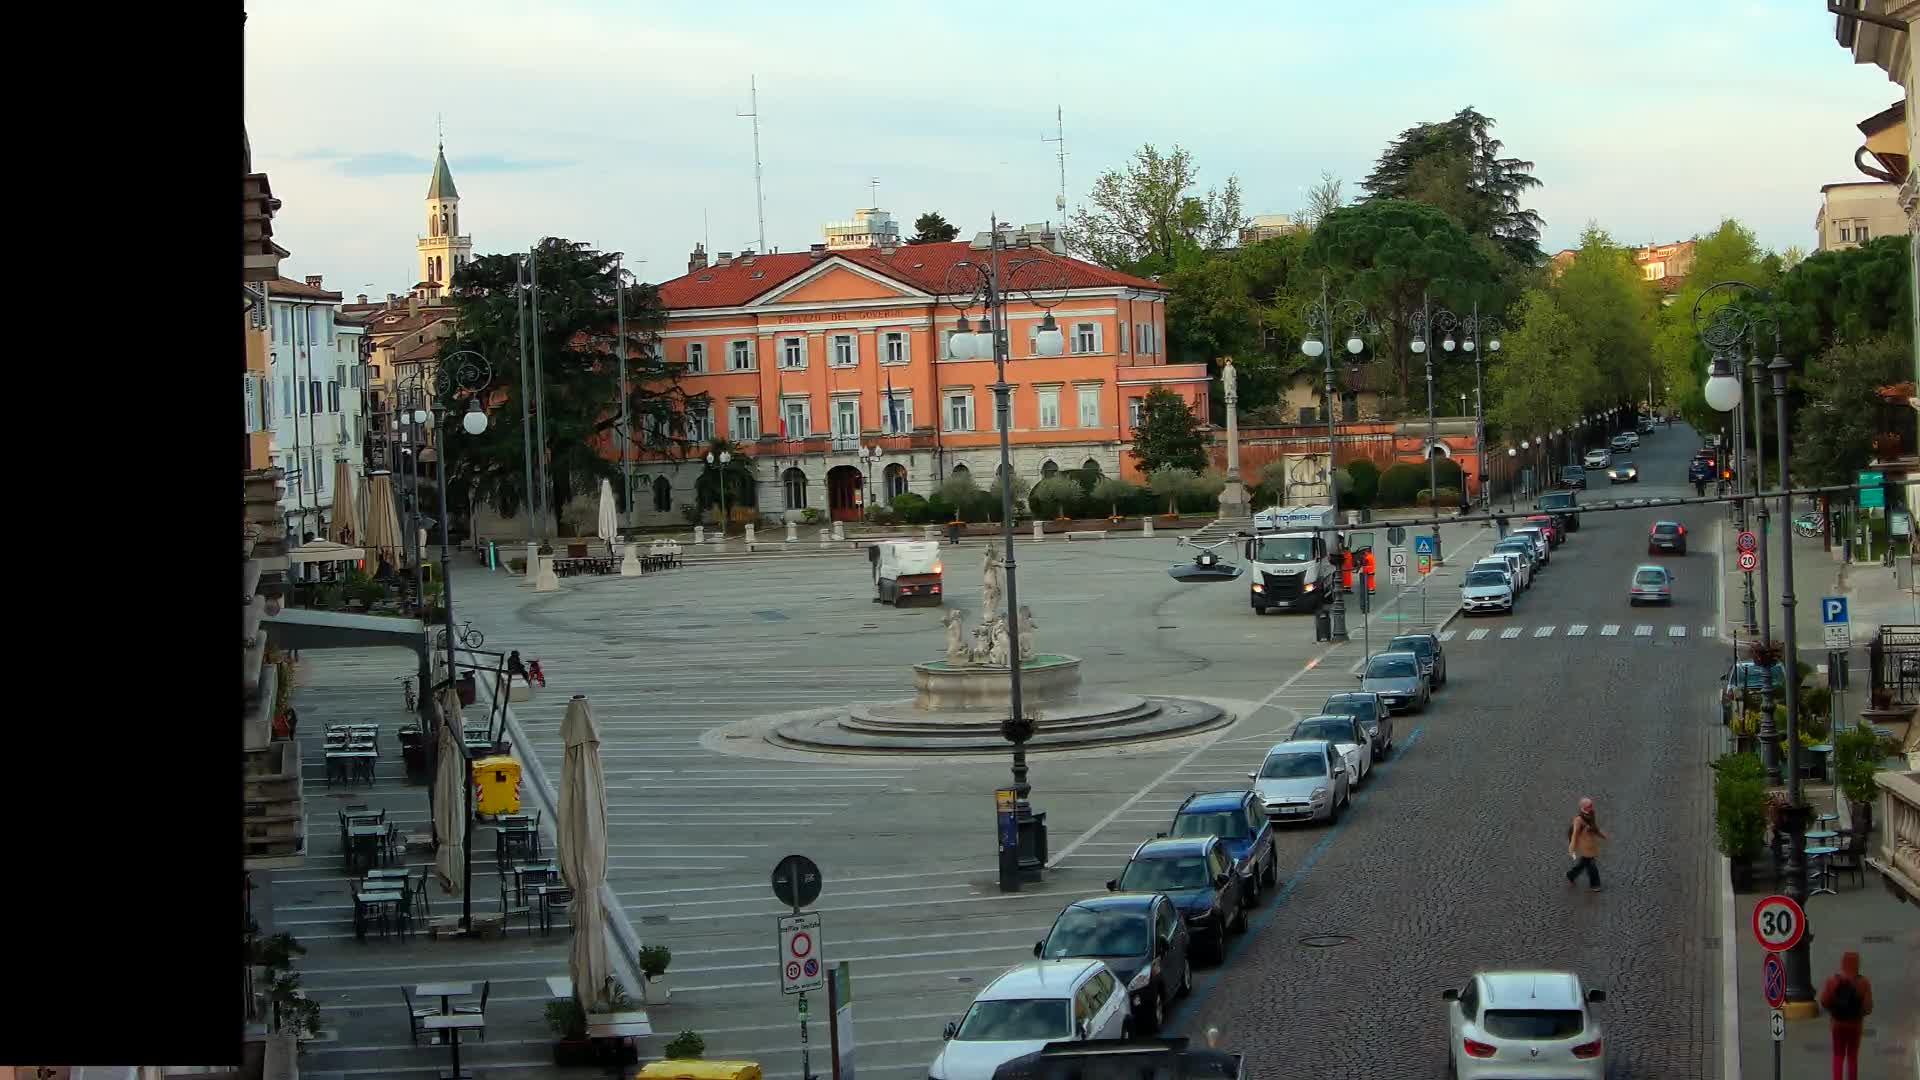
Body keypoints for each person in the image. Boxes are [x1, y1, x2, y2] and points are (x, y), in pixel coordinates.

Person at [1819, 951, 1874, 1080]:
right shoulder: (1864, 983)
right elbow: (1868, 1007)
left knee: (1838, 1055)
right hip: (1855, 1025)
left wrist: (1833, 1010)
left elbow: (1824, 1001)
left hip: (1837, 1024)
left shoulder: (1832, 981)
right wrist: (1859, 1013)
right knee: (1852, 1056)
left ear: (1842, 963)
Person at [1565, 797, 1608, 891]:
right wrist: (1571, 848)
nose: (1591, 808)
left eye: (1591, 805)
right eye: (1589, 806)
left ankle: (1571, 875)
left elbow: (1594, 827)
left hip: (1591, 844)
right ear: (1582, 807)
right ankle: (1595, 884)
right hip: (1584, 846)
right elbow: (1575, 835)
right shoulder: (1578, 820)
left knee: (1584, 863)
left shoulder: (1591, 814)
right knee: (1591, 865)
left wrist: (1602, 835)